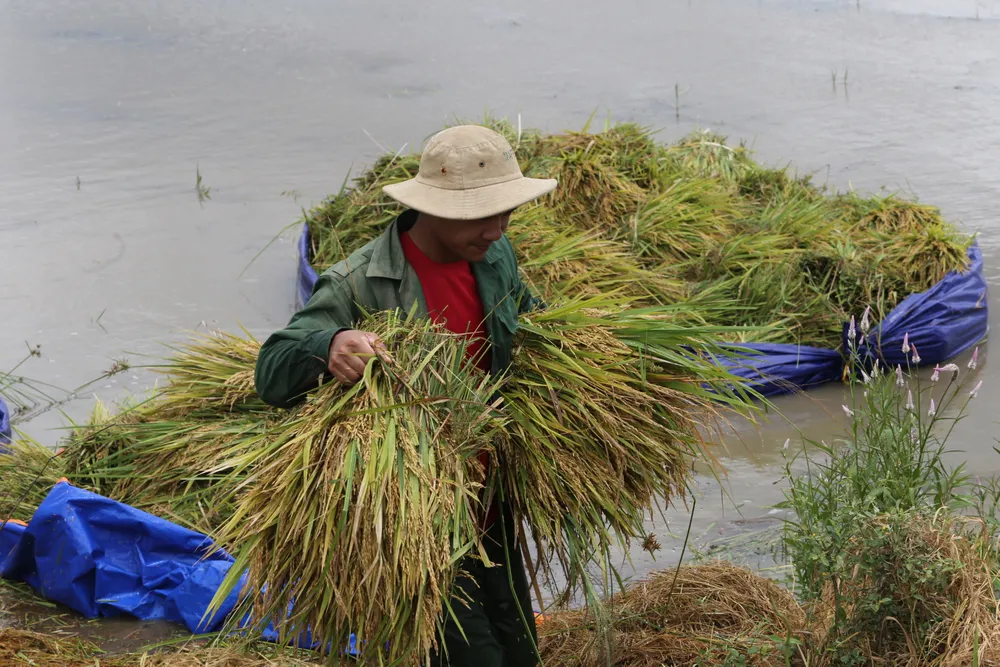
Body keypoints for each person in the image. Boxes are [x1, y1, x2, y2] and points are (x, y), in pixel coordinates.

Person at [254, 124, 558, 666]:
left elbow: (525, 322)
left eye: (505, 211)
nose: (497, 228)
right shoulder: (357, 282)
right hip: (421, 516)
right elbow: (272, 371)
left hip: (490, 499)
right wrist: (330, 345)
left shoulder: (494, 256)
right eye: (480, 214)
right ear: (432, 206)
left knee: (520, 648)